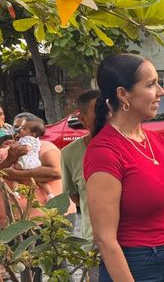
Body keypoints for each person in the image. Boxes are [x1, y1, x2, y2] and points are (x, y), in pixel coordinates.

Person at [84, 53, 164, 282]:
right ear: (123, 94)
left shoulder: (155, 141)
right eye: (151, 84)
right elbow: (105, 239)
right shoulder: (104, 152)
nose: (161, 92)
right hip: (134, 265)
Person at [61, 90, 101, 241]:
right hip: (94, 242)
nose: (107, 117)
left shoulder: (133, 145)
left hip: (138, 245)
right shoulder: (70, 154)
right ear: (82, 119)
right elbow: (74, 195)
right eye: (99, 112)